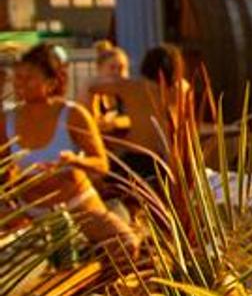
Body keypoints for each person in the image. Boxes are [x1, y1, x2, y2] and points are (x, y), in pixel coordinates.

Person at [2, 44, 139, 268]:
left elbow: (102, 165)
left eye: (28, 78)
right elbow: (4, 170)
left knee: (127, 244)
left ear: (51, 83)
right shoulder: (6, 120)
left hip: (79, 207)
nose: (20, 84)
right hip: (30, 214)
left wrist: (76, 161)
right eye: (17, 77)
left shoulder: (73, 114)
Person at [87, 43, 192, 190]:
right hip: (172, 160)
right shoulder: (182, 89)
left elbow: (91, 86)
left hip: (138, 159)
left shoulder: (132, 87)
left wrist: (93, 116)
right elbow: (188, 123)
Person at [89, 42, 130, 137]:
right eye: (112, 68)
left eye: (121, 68)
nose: (116, 72)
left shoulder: (129, 94)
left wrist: (116, 122)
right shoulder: (93, 94)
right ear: (99, 69)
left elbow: (137, 118)